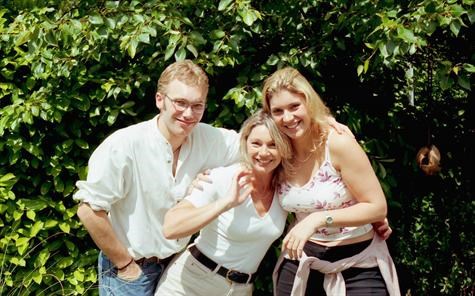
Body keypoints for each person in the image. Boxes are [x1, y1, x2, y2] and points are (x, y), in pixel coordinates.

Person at [74, 60, 241, 295]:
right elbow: (89, 210)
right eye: (180, 103)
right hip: (132, 271)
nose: (188, 113)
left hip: (177, 267)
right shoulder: (124, 145)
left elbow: (258, 145)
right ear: (159, 100)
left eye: (197, 105)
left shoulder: (210, 139)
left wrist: (217, 176)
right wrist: (125, 265)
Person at [260, 67, 400, 296]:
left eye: (295, 106)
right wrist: (202, 178)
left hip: (358, 263)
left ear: (309, 102)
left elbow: (377, 207)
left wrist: (317, 219)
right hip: (302, 260)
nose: (287, 117)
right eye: (278, 111)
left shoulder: (338, 143)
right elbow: (243, 150)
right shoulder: (277, 150)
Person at [154, 110, 292, 296]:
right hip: (190, 283)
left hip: (240, 289)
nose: (264, 152)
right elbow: (171, 227)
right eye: (256, 144)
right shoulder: (223, 178)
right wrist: (226, 203)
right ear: (245, 144)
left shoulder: (286, 191)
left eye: (273, 145)